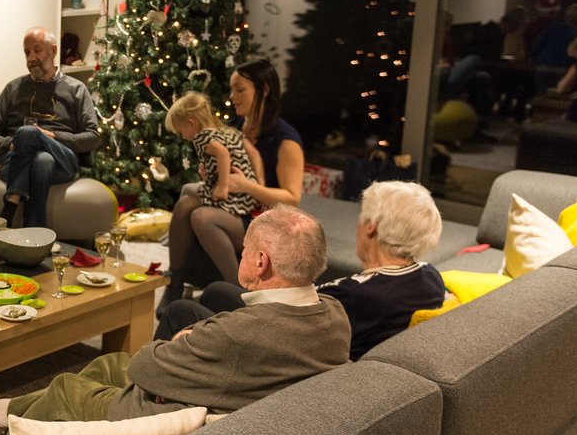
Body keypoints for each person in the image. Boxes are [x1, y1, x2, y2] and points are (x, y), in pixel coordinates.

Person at [0, 206, 349, 435]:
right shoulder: (334, 315)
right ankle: (1, 414)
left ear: (261, 262)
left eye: (244, 249)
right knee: (107, 364)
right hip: (236, 396)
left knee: (69, 387)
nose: (241, 255)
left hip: (177, 421)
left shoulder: (241, 333)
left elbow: (145, 367)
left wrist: (183, 341)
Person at [159, 181, 446, 360]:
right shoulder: (429, 276)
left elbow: (286, 318)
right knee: (217, 291)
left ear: (371, 227)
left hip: (281, 348)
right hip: (305, 333)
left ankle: (146, 387)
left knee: (181, 311)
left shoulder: (352, 296)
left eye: (362, 218)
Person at [161, 58, 304, 304]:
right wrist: (210, 172)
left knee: (201, 216)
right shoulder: (237, 125)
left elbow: (292, 198)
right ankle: (175, 281)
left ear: (264, 90)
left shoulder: (286, 140)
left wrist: (247, 185)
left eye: (240, 90)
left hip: (263, 216)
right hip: (238, 203)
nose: (232, 96)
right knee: (186, 199)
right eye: (232, 89)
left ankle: (239, 291)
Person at [0, 27, 99, 228]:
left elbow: (92, 136)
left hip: (63, 159)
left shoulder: (76, 89)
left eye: (37, 50)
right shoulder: (13, 88)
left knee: (29, 132)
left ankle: (10, 205)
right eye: (27, 52)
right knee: (41, 159)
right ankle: (36, 239)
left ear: (53, 51)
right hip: (15, 158)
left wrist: (53, 136)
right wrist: (11, 143)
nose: (31, 57)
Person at [165, 90, 261, 219]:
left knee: (187, 192)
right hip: (247, 197)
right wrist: (258, 186)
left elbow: (223, 153)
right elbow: (253, 153)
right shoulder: (224, 132)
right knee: (188, 189)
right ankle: (179, 228)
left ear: (191, 123)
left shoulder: (202, 138)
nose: (182, 136)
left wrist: (222, 186)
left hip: (233, 198)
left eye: (180, 131)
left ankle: (177, 229)